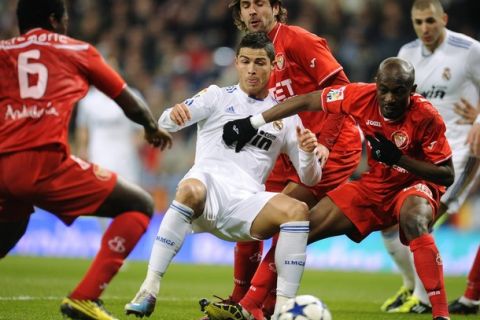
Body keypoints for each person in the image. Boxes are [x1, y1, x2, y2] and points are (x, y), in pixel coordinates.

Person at [219, 57, 454, 320]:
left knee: (413, 218)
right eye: (383, 90)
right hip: (374, 186)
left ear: (412, 90)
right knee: (299, 228)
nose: (389, 98)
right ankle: (251, 303)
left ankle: (441, 314)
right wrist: (252, 123)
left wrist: (399, 160)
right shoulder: (359, 95)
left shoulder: (427, 116)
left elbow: (447, 175)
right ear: (376, 84)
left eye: (398, 91)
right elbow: (307, 100)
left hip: (415, 184)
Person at [124, 32, 322, 319]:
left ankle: (283, 310)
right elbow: (166, 121)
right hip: (208, 192)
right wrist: (174, 114)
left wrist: (306, 152)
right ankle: (149, 288)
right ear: (237, 64)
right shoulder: (217, 96)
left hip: (247, 203)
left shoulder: (285, 115)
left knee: (298, 210)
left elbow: (311, 177)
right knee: (189, 188)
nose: (252, 69)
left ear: (273, 65)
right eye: (245, 61)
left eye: (259, 62)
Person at [0, 1, 172, 319]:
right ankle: (84, 297)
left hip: (3, 167)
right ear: (54, 19)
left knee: (12, 228)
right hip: (45, 164)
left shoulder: (3, 52)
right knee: (140, 205)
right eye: (64, 18)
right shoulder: (76, 49)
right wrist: (150, 126)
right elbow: (125, 98)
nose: (66, 23)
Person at [209, 2, 361, 318]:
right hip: (287, 148)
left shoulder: (298, 40)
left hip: (328, 146)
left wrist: (326, 145)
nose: (252, 11)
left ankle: (250, 306)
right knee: (251, 210)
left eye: (260, 3)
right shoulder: (254, 52)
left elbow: (340, 88)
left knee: (286, 217)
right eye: (246, 5)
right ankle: (242, 296)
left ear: (276, 8)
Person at [376, 0, 480, 314]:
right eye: (419, 22)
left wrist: (478, 120)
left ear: (444, 19)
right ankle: (411, 286)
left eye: (431, 21)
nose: (425, 28)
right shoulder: (406, 54)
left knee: (423, 219)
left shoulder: (470, 50)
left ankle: (423, 300)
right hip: (419, 153)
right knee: (387, 224)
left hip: (459, 153)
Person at [76, 87, 143, 185]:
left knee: (128, 196)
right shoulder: (88, 99)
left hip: (126, 161)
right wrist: (82, 148)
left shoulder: (132, 96)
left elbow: (145, 126)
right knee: (101, 194)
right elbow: (83, 127)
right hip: (98, 158)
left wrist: (137, 143)